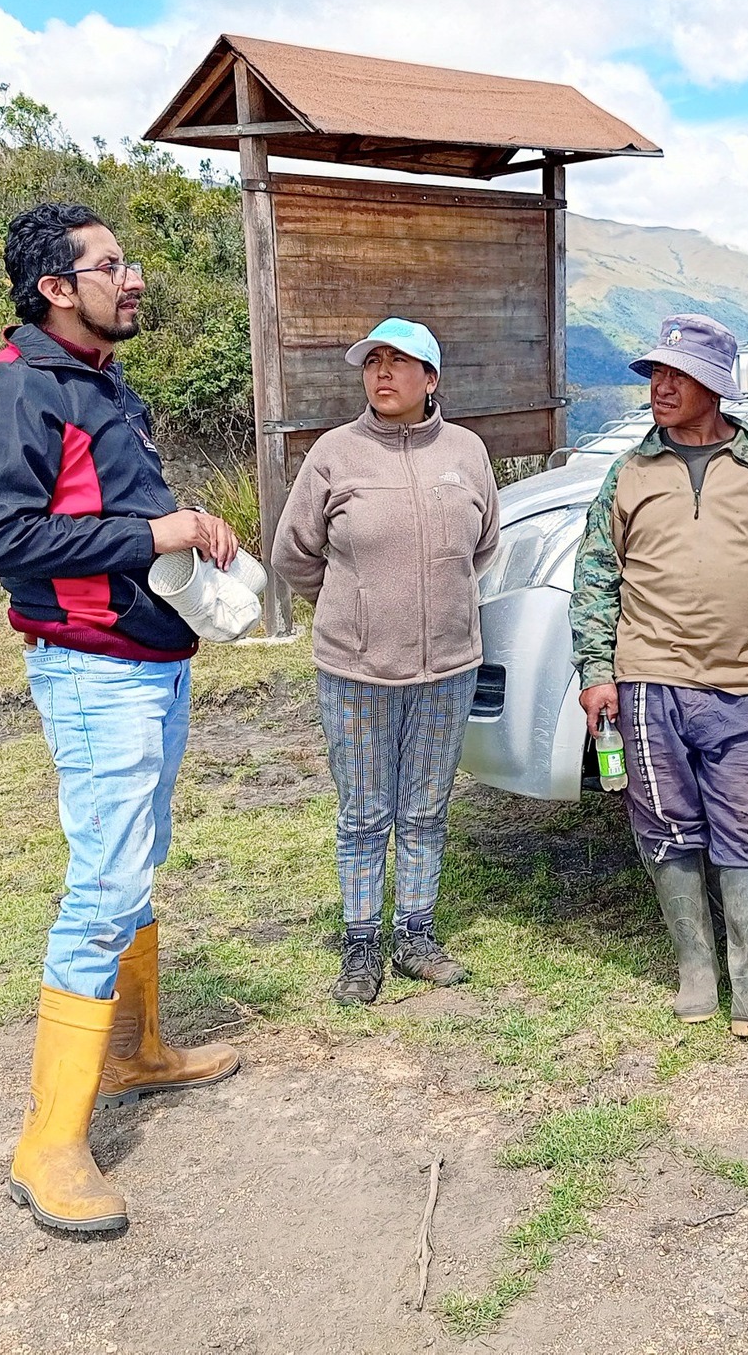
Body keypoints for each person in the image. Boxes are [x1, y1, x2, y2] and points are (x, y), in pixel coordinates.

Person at [0, 202, 241, 1235]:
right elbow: (4, 541)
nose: (135, 277)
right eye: (111, 264)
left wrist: (184, 528)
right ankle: (48, 1145)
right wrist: (153, 533)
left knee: (137, 860)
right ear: (56, 288)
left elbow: (106, 511)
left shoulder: (104, 384)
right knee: (104, 883)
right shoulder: (12, 389)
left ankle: (133, 1051)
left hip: (150, 660)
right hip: (91, 673)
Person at [568, 314, 748, 1039]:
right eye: (655, 373)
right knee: (664, 824)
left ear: (714, 385)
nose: (660, 386)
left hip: (744, 684)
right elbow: (595, 577)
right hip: (647, 684)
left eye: (676, 375)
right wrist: (596, 671)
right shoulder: (629, 473)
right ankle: (695, 967)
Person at [271, 318, 500, 1005]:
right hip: (356, 672)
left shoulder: (466, 452)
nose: (382, 373)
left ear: (431, 378)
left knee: (427, 808)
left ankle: (416, 935)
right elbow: (293, 553)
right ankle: (362, 943)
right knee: (364, 813)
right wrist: (355, 605)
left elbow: (483, 545)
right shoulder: (335, 454)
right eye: (373, 361)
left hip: (448, 668)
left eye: (398, 362)